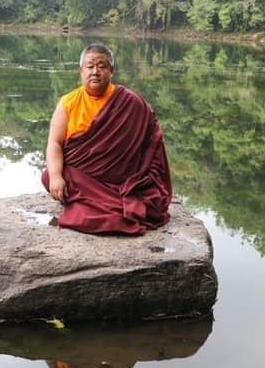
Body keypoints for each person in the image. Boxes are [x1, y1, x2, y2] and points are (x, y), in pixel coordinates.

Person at [42, 43, 172, 235]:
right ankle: (113, 207)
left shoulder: (130, 102)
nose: (95, 72)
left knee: (144, 199)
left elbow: (152, 141)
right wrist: (55, 177)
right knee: (48, 176)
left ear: (111, 71)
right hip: (84, 179)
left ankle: (102, 207)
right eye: (90, 66)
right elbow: (55, 143)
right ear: (81, 70)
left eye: (102, 66)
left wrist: (145, 177)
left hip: (122, 183)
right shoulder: (68, 103)